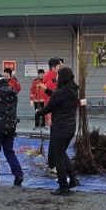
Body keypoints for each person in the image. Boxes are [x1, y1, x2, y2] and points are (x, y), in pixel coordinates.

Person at [36, 67, 80, 195]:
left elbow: (49, 107)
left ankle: (63, 185)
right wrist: (47, 89)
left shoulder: (60, 92)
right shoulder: (73, 90)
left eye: (58, 75)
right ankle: (73, 178)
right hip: (70, 127)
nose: (57, 77)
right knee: (62, 153)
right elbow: (57, 97)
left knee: (58, 157)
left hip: (60, 128)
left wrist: (38, 112)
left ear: (62, 77)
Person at [42, 57, 64, 174]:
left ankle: (53, 163)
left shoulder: (56, 78)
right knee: (54, 140)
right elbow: (49, 100)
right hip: (53, 113)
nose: (61, 67)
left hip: (57, 113)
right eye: (59, 66)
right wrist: (49, 116)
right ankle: (52, 164)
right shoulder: (51, 81)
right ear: (53, 67)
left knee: (55, 139)